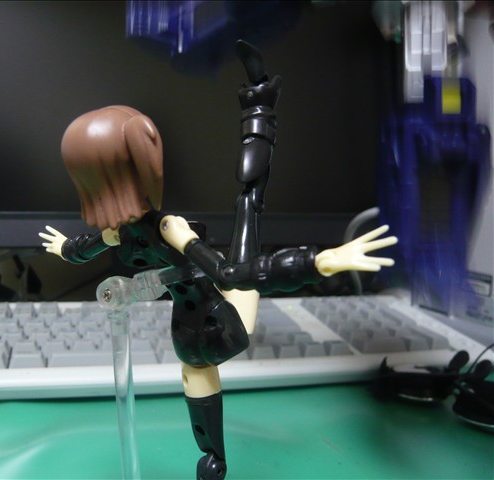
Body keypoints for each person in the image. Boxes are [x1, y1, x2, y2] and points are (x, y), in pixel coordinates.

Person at [40, 105, 397, 480]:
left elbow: (228, 273)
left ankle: (259, 121)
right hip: (210, 325)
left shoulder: (143, 231)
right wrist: (318, 262)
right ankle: (258, 122)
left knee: (246, 214)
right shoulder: (143, 230)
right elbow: (225, 273)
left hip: (203, 327)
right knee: (247, 210)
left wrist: (318, 261)